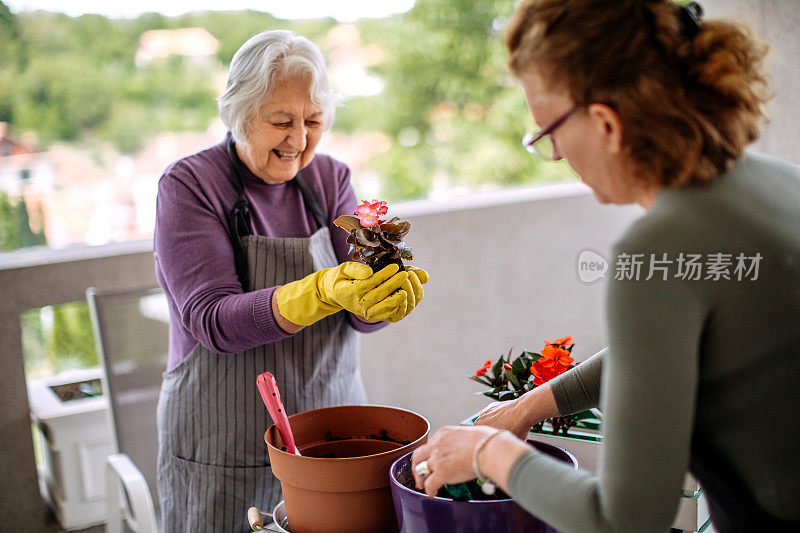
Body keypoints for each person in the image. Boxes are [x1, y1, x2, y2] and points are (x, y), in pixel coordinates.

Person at [411, 1, 800, 531]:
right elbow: (674, 343)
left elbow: (627, 520)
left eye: (548, 131)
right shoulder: (775, 181)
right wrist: (531, 406)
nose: (555, 155)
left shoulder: (655, 248)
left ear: (605, 124)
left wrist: (489, 454)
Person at [154, 30, 428, 532]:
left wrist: (378, 303)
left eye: (313, 121)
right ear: (238, 113)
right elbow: (214, 322)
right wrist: (320, 290)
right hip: (224, 450)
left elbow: (357, 314)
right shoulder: (190, 186)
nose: (298, 140)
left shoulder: (330, 180)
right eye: (280, 121)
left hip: (330, 446)